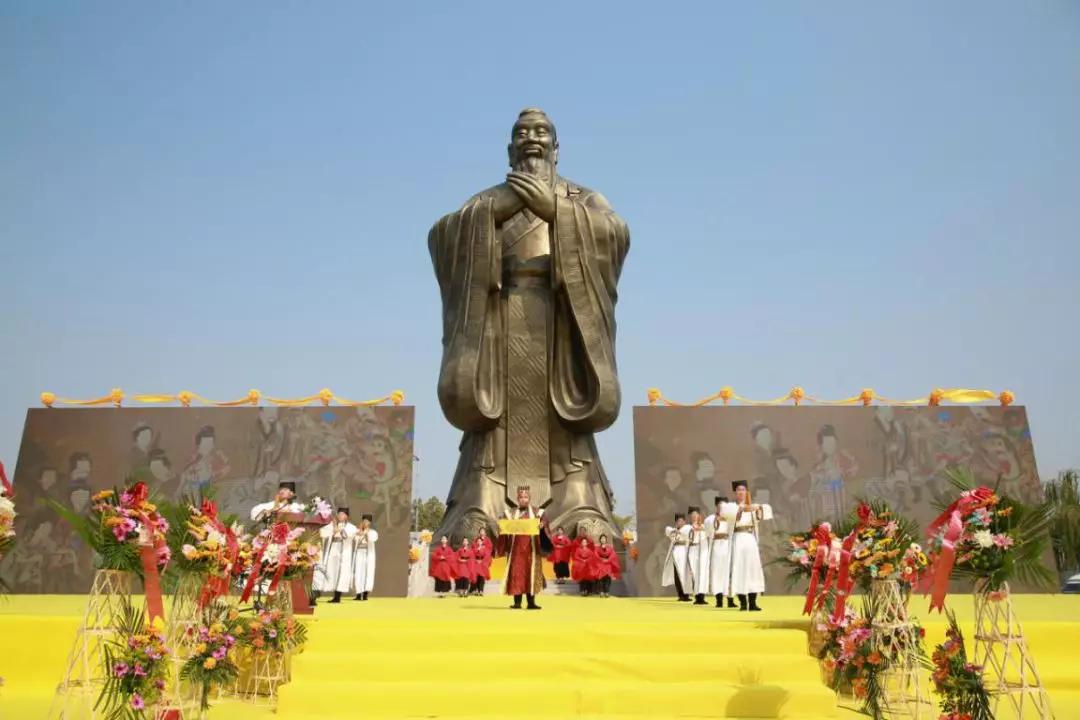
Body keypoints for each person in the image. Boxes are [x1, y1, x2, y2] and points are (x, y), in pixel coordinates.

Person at [430, 108, 630, 544]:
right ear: (510, 148)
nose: (531, 138)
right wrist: (485, 219)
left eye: (541, 132)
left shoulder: (583, 199)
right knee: (493, 422)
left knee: (564, 421)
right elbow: (444, 237)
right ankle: (481, 504)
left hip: (562, 325)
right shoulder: (486, 201)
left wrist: (559, 213)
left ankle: (577, 503)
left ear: (557, 149)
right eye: (522, 133)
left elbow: (614, 234)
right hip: (498, 324)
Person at [496, 486, 550, 610]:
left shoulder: (538, 513)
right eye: (521, 497)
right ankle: (517, 602)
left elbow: (546, 524)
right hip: (516, 551)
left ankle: (531, 602)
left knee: (530, 575)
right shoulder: (510, 513)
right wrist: (500, 526)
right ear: (517, 499)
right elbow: (503, 527)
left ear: (529, 499)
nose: (523, 499)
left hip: (531, 550)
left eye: (526, 497)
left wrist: (542, 525)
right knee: (517, 575)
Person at [728, 480, 772, 611]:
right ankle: (742, 602)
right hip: (737, 539)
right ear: (735, 492)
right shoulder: (730, 506)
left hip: (750, 539)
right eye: (738, 490)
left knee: (753, 569)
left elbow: (766, 510)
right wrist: (744, 508)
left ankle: (753, 602)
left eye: (743, 490)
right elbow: (731, 514)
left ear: (747, 492)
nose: (741, 492)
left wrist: (758, 507)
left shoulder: (753, 506)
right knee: (739, 568)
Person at [315, 507, 356, 603]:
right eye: (339, 514)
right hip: (333, 550)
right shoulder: (331, 525)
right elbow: (322, 533)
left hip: (344, 552)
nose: (340, 516)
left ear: (347, 516)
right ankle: (317, 594)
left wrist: (336, 528)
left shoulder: (351, 527)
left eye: (343, 514)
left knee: (341, 573)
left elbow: (346, 536)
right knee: (330, 571)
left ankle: (337, 596)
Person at [704, 496, 736, 608]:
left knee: (728, 573)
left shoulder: (730, 519)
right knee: (716, 572)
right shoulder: (710, 518)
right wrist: (716, 521)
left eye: (724, 506)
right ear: (716, 506)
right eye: (720, 506)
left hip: (727, 545)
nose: (722, 508)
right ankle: (719, 600)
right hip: (717, 546)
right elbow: (708, 532)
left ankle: (730, 599)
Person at [661, 513, 692, 602]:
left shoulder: (687, 528)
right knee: (677, 576)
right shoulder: (672, 530)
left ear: (684, 522)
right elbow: (667, 530)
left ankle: (686, 595)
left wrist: (679, 531)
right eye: (678, 521)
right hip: (675, 553)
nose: (680, 523)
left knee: (684, 575)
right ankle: (680, 595)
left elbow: (687, 532)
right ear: (676, 522)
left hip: (684, 552)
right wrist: (675, 530)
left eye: (682, 521)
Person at [353, 513, 378, 600]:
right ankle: (358, 593)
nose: (365, 523)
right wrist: (360, 530)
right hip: (359, 553)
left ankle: (365, 594)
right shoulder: (358, 531)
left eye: (367, 521)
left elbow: (372, 539)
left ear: (369, 523)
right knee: (359, 572)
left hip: (368, 554)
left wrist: (366, 533)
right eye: (364, 521)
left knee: (367, 572)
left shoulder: (372, 532)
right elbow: (355, 538)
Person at [686, 506, 708, 605]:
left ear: (699, 515)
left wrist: (701, 528)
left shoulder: (704, 526)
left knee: (702, 573)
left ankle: (702, 596)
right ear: (690, 516)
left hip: (702, 550)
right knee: (694, 573)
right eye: (692, 515)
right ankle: (697, 596)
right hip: (693, 549)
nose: (694, 516)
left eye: (696, 514)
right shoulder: (688, 528)